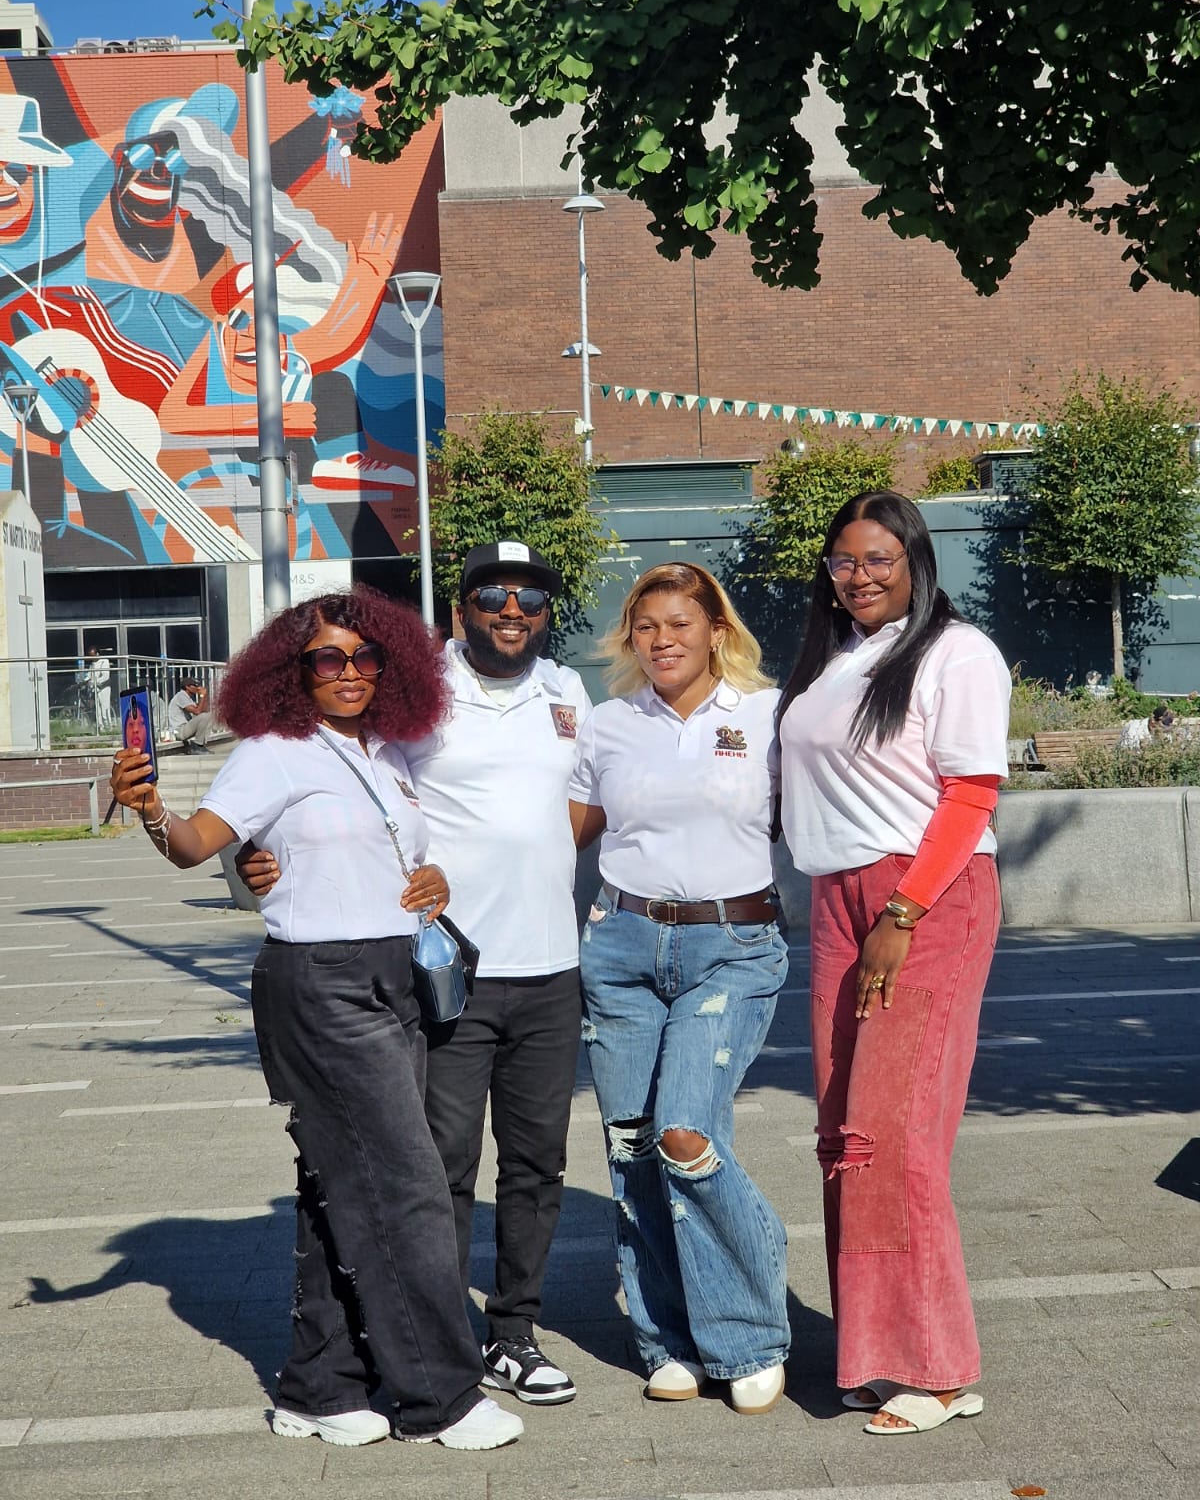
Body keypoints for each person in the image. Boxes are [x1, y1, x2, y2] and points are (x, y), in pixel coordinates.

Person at [109, 588, 524, 1451]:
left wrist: (433, 879)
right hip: (320, 983)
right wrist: (149, 808)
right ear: (291, 671)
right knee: (406, 1185)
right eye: (327, 658)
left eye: (365, 657)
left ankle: (320, 1388)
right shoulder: (272, 752)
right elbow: (194, 845)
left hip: (396, 977)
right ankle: (440, 1398)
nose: (348, 672)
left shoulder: (387, 751)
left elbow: (389, 853)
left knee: (337, 1187)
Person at [240, 541, 590, 1409]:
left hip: (552, 964)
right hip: (446, 970)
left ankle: (513, 1335)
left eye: (531, 597)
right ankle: (440, 1343)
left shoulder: (568, 692)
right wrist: (248, 859)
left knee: (538, 1165)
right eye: (493, 595)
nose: (513, 610)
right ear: (461, 607)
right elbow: (318, 772)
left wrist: (534, 859)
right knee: (439, 1168)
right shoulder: (417, 691)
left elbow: (581, 807)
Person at [776, 490, 1011, 1436]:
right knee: (844, 1136)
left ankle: (938, 1370)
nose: (860, 575)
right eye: (844, 560)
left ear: (915, 560)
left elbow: (972, 792)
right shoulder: (833, 658)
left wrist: (903, 912)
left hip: (923, 896)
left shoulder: (958, 652)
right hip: (836, 899)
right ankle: (873, 1355)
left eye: (880, 558)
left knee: (896, 1133)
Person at [567, 562, 790, 1415]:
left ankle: (748, 1332)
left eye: (680, 624)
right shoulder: (609, 724)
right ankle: (666, 1339)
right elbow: (559, 833)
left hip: (732, 946)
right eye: (646, 626)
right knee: (631, 1147)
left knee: (685, 1135)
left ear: (717, 632)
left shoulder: (767, 717)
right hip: (622, 947)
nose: (662, 640)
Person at [167, 679, 213, 753]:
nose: (197, 688)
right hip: (179, 730)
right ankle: (197, 746)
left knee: (209, 715)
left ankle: (200, 745)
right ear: (187, 687)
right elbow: (197, 712)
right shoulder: (181, 696)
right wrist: (202, 695)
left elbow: (203, 710)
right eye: (195, 685)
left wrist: (204, 696)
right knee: (205, 716)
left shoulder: (188, 698)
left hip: (185, 728)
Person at [86, 647, 113, 729]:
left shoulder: (104, 661)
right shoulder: (92, 664)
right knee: (98, 709)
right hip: (95, 688)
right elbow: (89, 675)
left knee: (105, 708)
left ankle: (109, 726)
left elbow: (106, 676)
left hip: (104, 688)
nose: (92, 658)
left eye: (93, 656)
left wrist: (95, 681)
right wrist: (85, 681)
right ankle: (101, 726)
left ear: (97, 654)